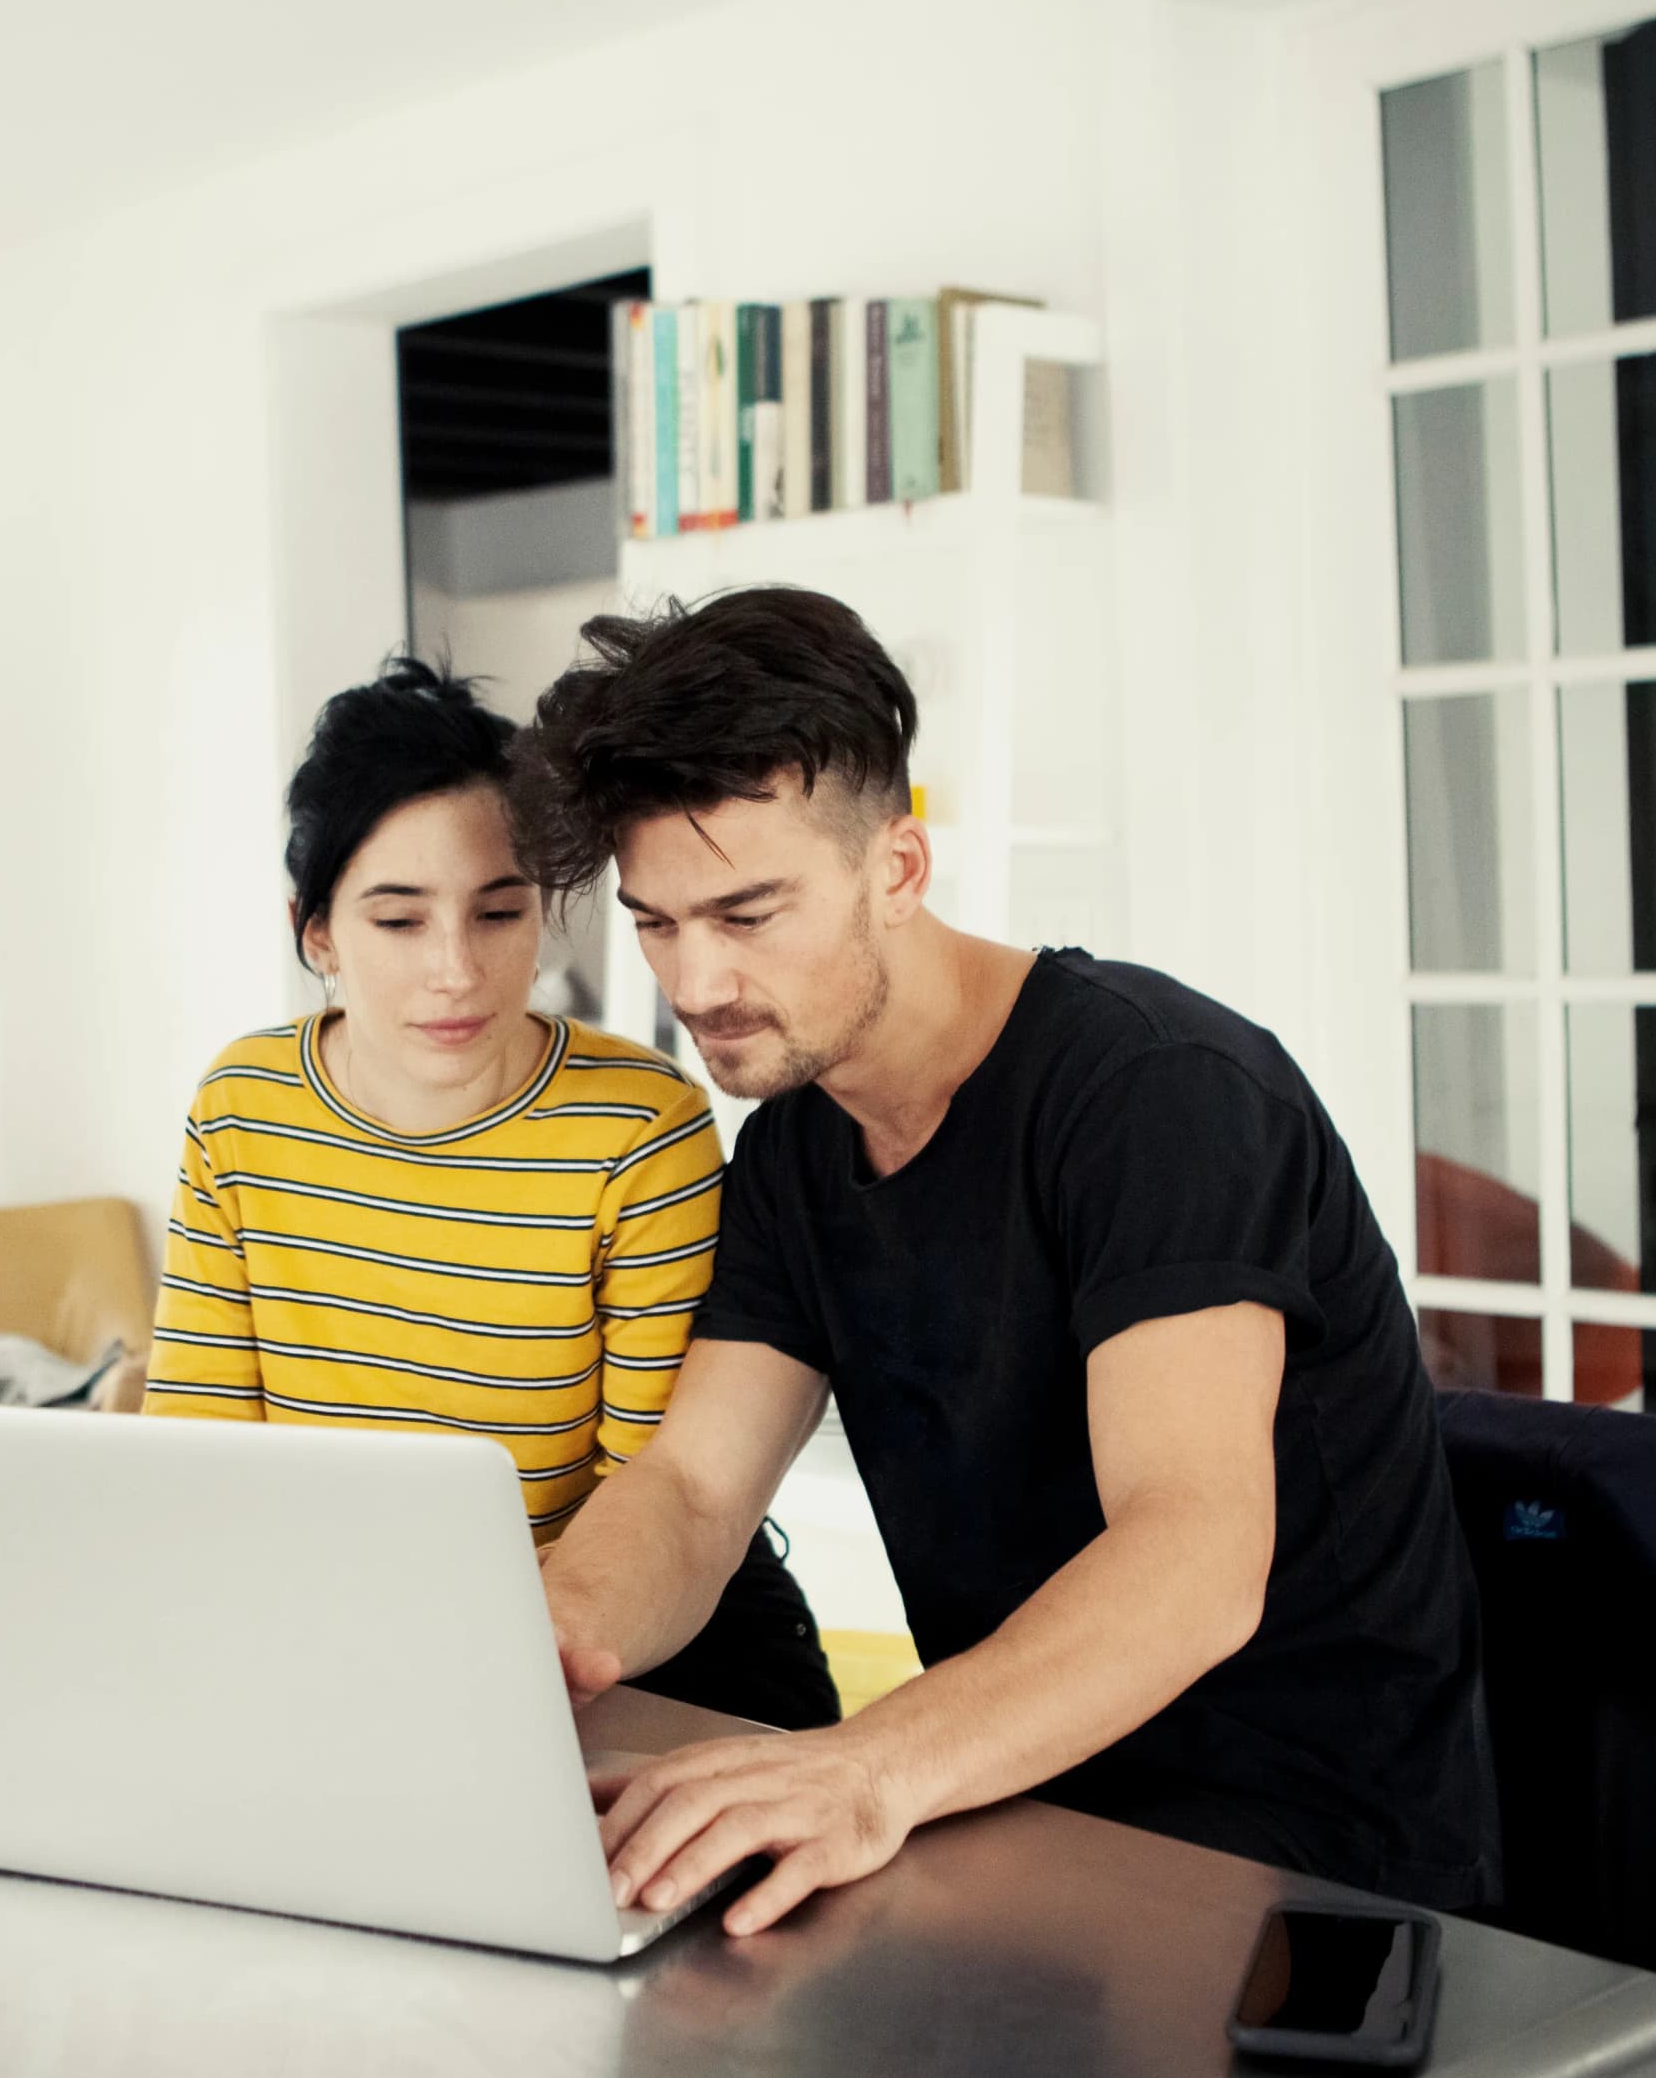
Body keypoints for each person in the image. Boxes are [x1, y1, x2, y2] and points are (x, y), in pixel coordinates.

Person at [516, 588, 1500, 1937]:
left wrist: (868, 1767)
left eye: (748, 915)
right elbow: (691, 1488)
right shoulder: (801, 1154)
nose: (694, 984)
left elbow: (1197, 1549)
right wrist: (536, 1652)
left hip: (1313, 1873)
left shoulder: (1159, 1096)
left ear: (899, 870)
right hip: (1018, 1816)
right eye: (658, 922)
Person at [142, 658, 840, 1731]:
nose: (457, 970)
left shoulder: (638, 1128)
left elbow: (639, 1505)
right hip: (337, 1651)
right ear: (316, 930)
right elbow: (198, 1453)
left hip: (617, 1653)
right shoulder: (245, 1105)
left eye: (499, 911)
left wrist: (448, 1667)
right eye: (399, 920)